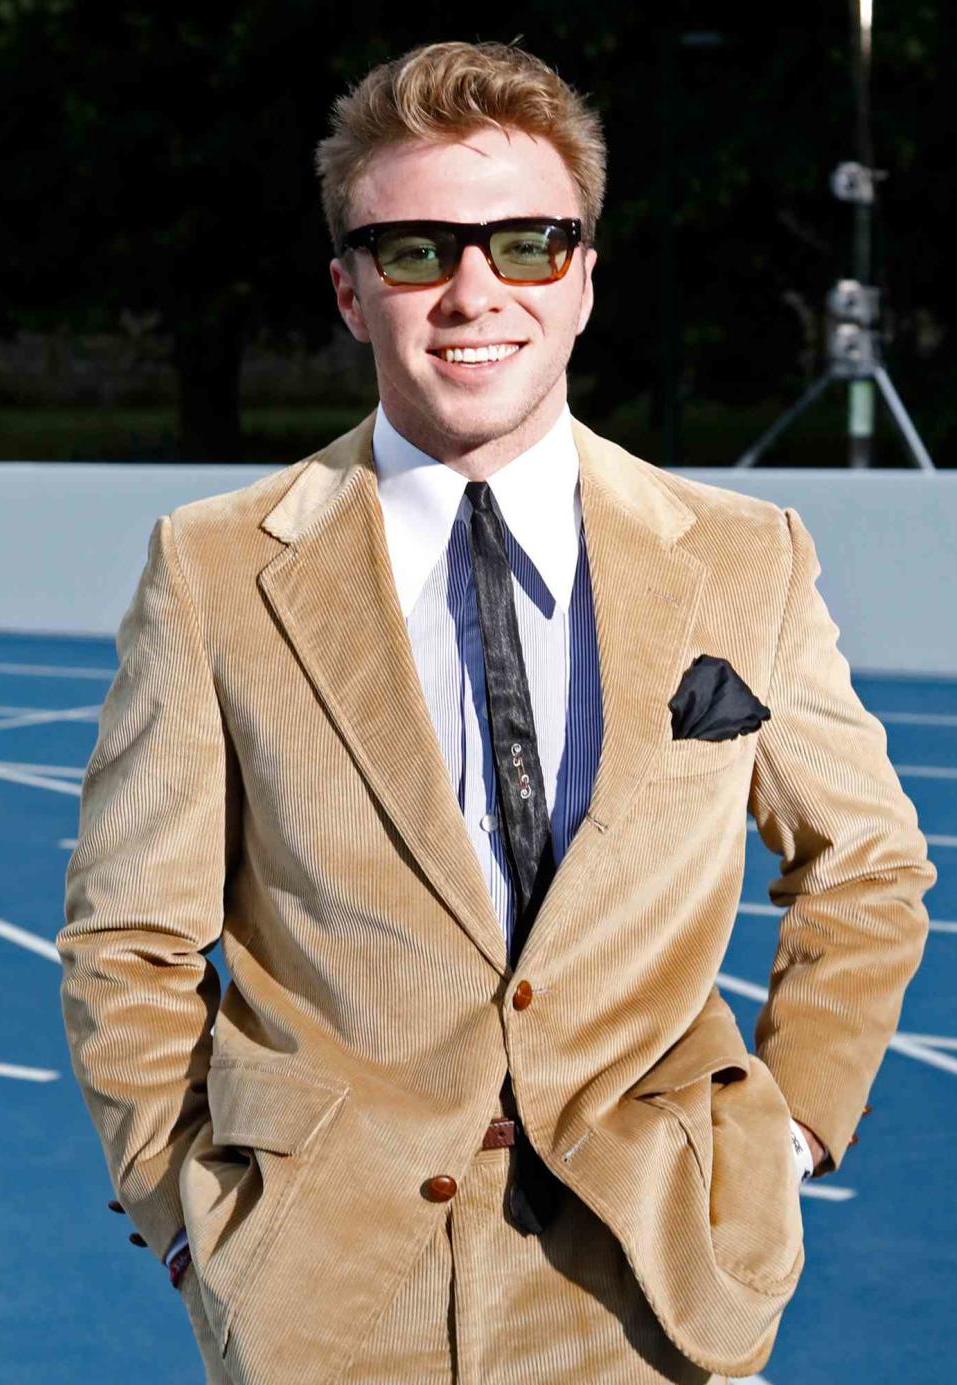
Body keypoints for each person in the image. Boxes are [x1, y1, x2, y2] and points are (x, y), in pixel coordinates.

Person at [56, 39, 936, 1385]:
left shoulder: (748, 556)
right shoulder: (214, 567)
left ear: (583, 279)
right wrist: (186, 1215)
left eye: (527, 243)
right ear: (350, 291)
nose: (475, 291)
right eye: (416, 249)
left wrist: (792, 1129)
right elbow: (129, 937)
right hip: (321, 1288)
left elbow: (867, 867)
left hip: (655, 1269)